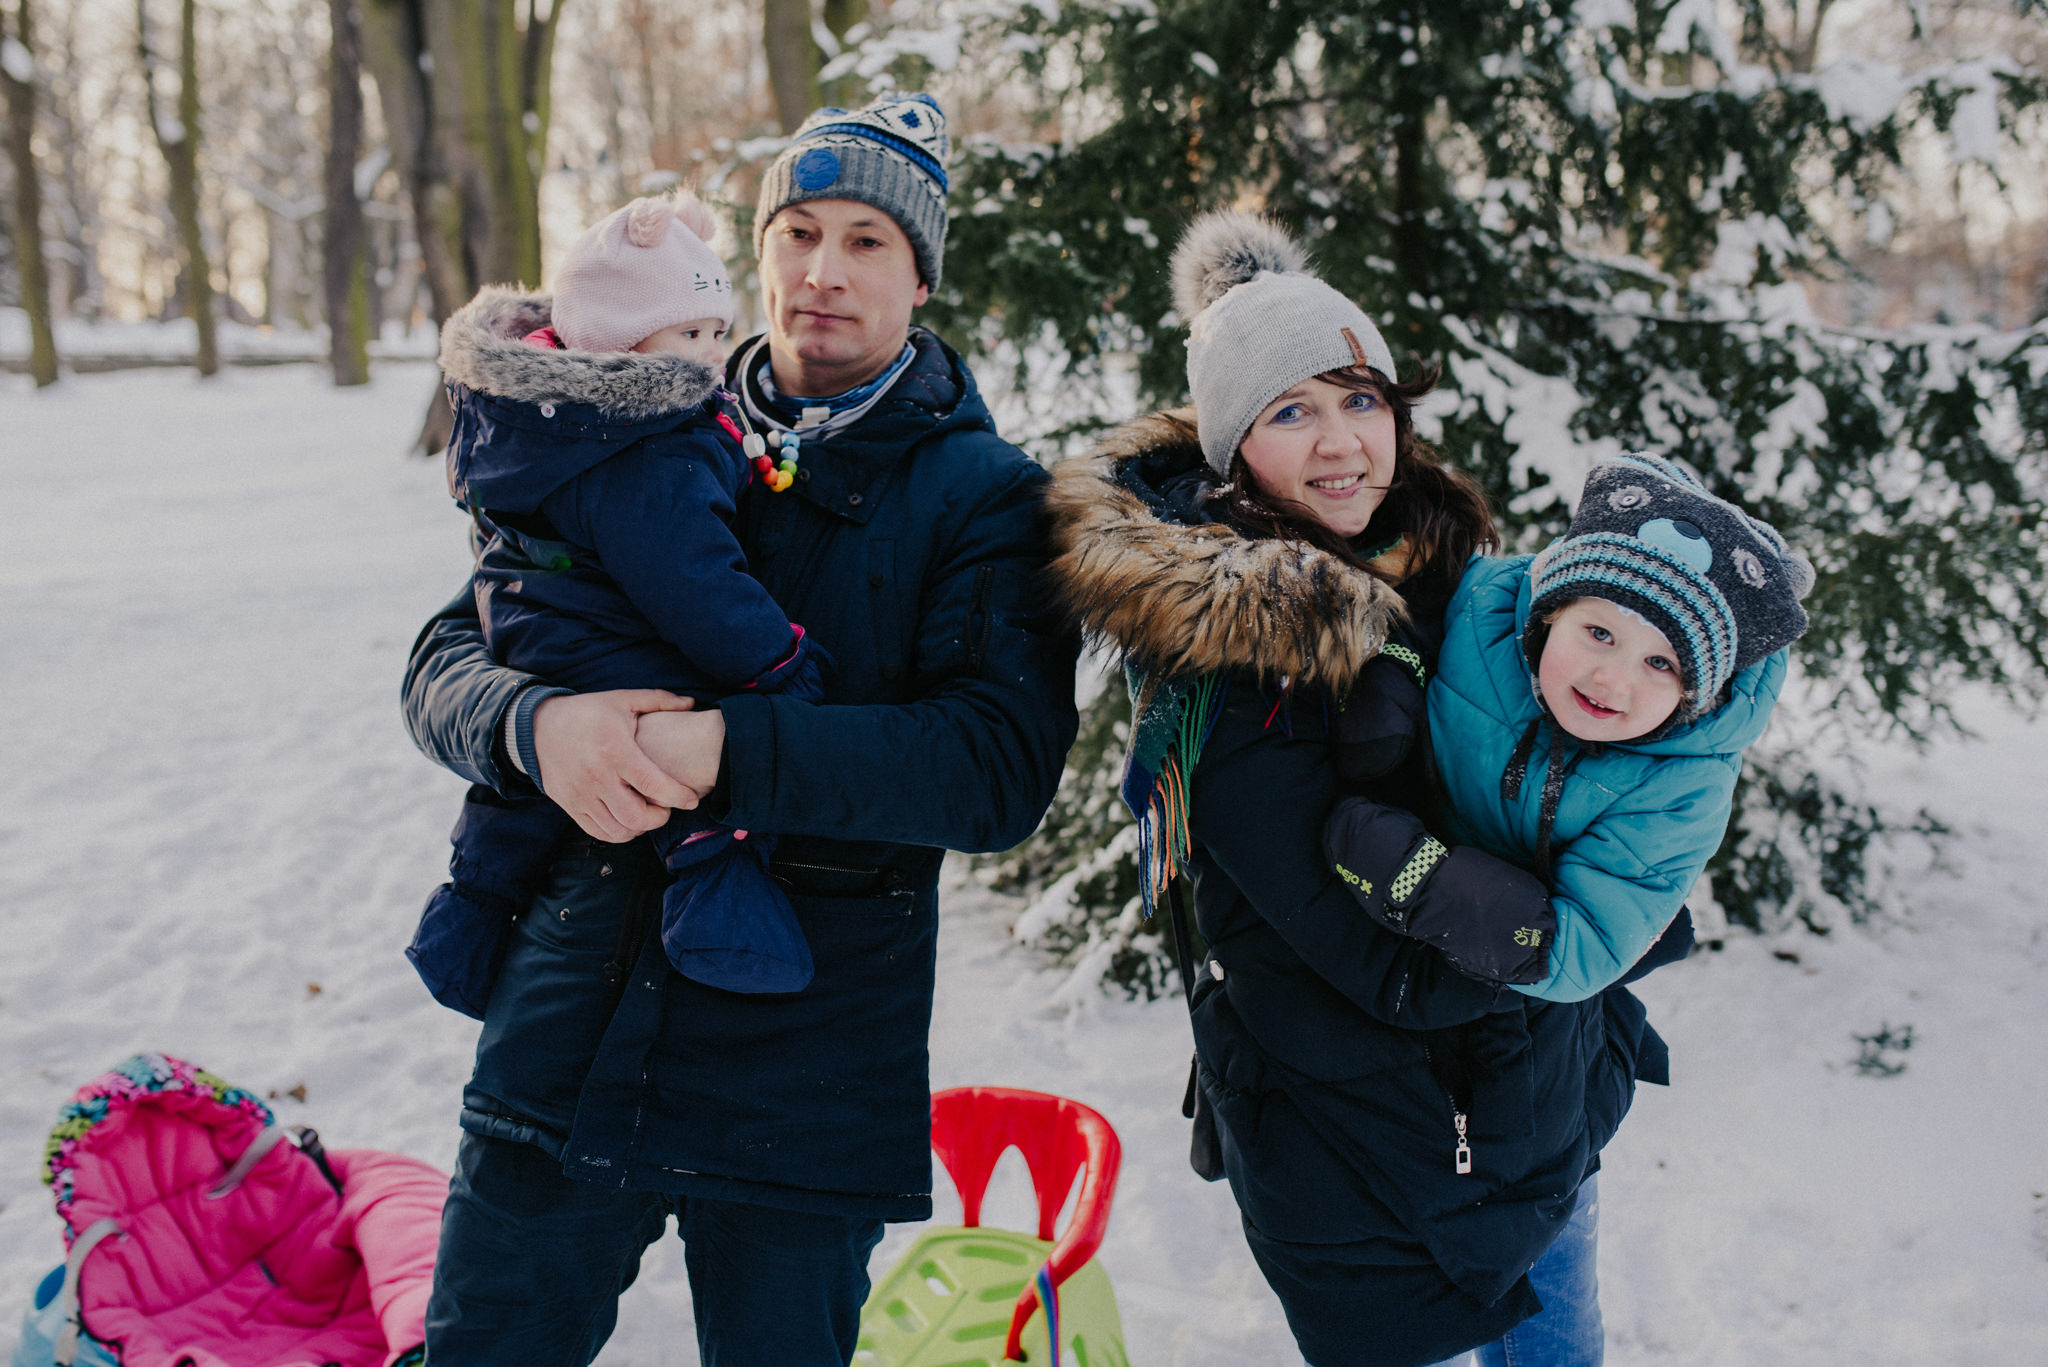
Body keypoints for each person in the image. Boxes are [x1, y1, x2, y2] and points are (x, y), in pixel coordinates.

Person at [397, 92, 1079, 1367]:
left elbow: (994, 768)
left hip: (805, 1055)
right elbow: (448, 653)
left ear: (921, 275)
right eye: (798, 229)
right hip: (573, 1007)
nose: (821, 271)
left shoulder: (982, 495)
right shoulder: (623, 410)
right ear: (754, 247)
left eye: (868, 241)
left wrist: (727, 750)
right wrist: (534, 724)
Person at [1045, 211, 1684, 1367]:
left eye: (1359, 399)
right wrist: (1573, 936)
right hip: (1355, 1164)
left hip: (1536, 1109)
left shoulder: (1468, 587)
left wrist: (1619, 881)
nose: (1341, 443)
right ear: (1231, 445)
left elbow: (1594, 769)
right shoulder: (1220, 665)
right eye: (1290, 411)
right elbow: (1377, 956)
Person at [412, 189, 829, 1019]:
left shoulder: (556, 423)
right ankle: (720, 902)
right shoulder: (651, 452)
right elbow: (697, 584)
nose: (712, 356)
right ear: (615, 339)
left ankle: (466, 921)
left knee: (513, 806)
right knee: (676, 778)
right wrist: (780, 659)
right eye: (689, 336)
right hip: (612, 648)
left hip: (533, 632)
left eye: (718, 333)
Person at [1322, 452, 1812, 999]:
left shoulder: (1681, 788)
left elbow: (1579, 951)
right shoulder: (1484, 607)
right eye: (1599, 633)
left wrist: (1420, 880)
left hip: (1517, 1005)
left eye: (1660, 664)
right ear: (1550, 612)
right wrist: (1392, 673)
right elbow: (1406, 605)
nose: (1611, 680)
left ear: (1693, 693)